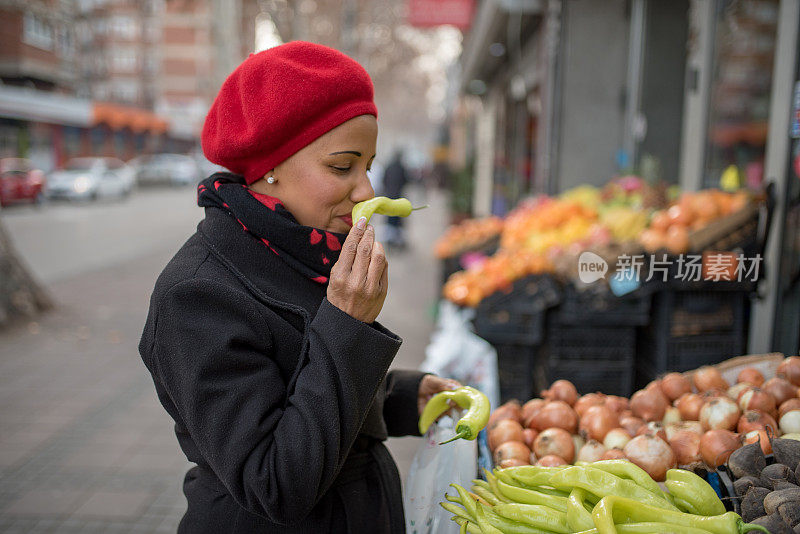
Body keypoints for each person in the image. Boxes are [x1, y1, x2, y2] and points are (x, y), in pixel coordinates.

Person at [138, 42, 459, 533]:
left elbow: (300, 382)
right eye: (341, 166)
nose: (367, 191)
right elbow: (273, 482)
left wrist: (398, 396)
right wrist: (349, 322)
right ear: (271, 165)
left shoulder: (305, 249)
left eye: (368, 166)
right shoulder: (196, 295)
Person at [381, 151, 410, 249]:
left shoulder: (388, 167)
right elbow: (406, 180)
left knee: (390, 217)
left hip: (389, 196)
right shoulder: (401, 167)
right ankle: (397, 239)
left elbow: (383, 180)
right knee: (398, 218)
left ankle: (390, 239)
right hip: (399, 196)